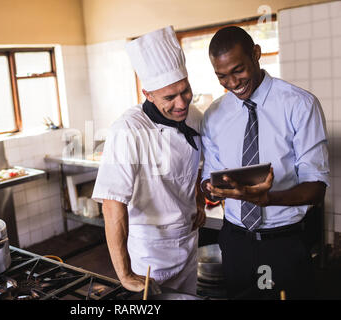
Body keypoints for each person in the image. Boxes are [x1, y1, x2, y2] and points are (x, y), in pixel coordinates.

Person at [200, 26, 330, 299]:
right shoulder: (214, 115)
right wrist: (211, 189)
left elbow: (316, 188)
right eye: (222, 76)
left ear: (256, 54)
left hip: (282, 243)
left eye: (238, 70)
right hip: (234, 242)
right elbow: (209, 176)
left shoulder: (299, 105)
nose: (232, 83)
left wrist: (265, 199)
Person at [92, 26, 206, 294]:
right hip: (150, 253)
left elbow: (197, 165)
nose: (181, 103)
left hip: (188, 243)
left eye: (185, 90)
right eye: (170, 97)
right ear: (148, 95)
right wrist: (124, 274)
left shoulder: (195, 117)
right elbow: (112, 204)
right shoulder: (128, 130)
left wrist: (199, 200)